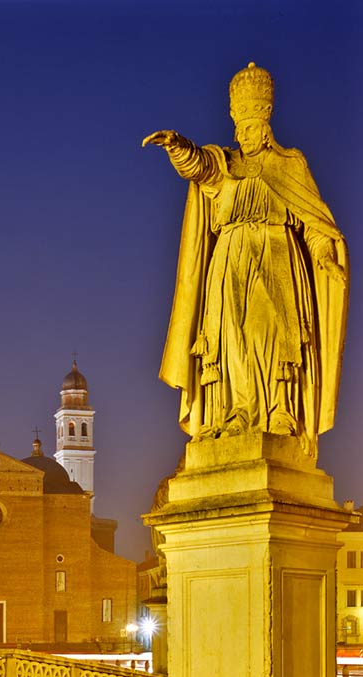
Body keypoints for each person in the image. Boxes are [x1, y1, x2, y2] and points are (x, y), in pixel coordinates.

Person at [143, 63, 348, 456]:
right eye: (238, 128)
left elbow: (314, 222)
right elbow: (199, 168)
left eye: (248, 128)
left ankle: (278, 412)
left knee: (268, 333)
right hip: (229, 261)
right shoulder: (225, 164)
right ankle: (234, 412)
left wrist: (324, 256)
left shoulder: (290, 165)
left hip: (276, 257)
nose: (241, 135)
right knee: (229, 340)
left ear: (264, 125)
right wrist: (177, 146)